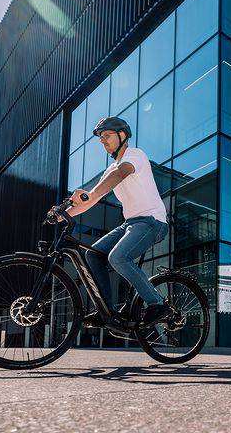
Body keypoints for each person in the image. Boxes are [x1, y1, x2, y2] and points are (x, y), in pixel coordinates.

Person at [59, 116, 170, 326]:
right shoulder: (110, 170)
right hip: (131, 223)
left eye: (107, 135)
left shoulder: (135, 155)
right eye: (101, 138)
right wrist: (62, 215)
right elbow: (92, 200)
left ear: (122, 135)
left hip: (152, 221)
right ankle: (107, 312)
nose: (103, 141)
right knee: (93, 254)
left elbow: (121, 174)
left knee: (118, 258)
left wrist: (90, 194)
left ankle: (157, 304)